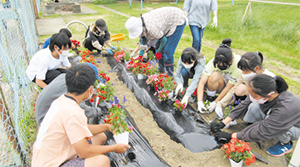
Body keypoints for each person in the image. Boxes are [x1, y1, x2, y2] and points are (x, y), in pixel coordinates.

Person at [31, 63, 130, 167]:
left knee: (100, 137)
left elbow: (80, 128)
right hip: (52, 164)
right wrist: (114, 148)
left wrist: (107, 126)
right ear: (90, 90)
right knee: (102, 161)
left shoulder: (62, 100)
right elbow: (84, 151)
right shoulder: (73, 112)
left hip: (52, 155)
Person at [212, 74, 300, 157]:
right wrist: (224, 122)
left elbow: (265, 129)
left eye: (253, 95)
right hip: (274, 118)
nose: (251, 96)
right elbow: (243, 105)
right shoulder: (264, 91)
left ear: (269, 95)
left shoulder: (285, 108)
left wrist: (232, 136)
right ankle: (253, 129)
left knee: (273, 126)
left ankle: (286, 144)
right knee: (254, 106)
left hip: (295, 127)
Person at [214, 52, 275, 127]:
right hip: (250, 99)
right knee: (240, 89)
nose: (243, 73)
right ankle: (241, 115)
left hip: (264, 106)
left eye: (245, 71)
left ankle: (250, 119)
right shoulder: (245, 75)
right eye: (242, 70)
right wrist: (220, 104)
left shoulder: (267, 79)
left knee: (253, 106)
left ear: (257, 68)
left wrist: (233, 118)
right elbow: (234, 89)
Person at [35, 63, 104, 126]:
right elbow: (80, 107)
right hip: (46, 121)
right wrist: (98, 111)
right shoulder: (69, 88)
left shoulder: (65, 77)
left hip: (44, 113)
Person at [125, 7, 187, 77]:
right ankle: (161, 71)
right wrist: (140, 56)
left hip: (177, 19)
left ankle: (170, 75)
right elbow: (143, 41)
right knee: (157, 46)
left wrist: (159, 52)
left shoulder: (151, 27)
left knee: (168, 51)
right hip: (165, 22)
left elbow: (163, 40)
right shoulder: (141, 25)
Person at [197, 38, 241, 113]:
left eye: (224, 66)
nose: (221, 67)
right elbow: (202, 82)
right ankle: (210, 97)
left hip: (231, 88)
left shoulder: (237, 66)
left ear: (231, 60)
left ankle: (217, 101)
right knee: (214, 76)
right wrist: (199, 101)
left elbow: (229, 87)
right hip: (220, 82)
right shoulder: (213, 61)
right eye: (219, 65)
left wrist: (216, 102)